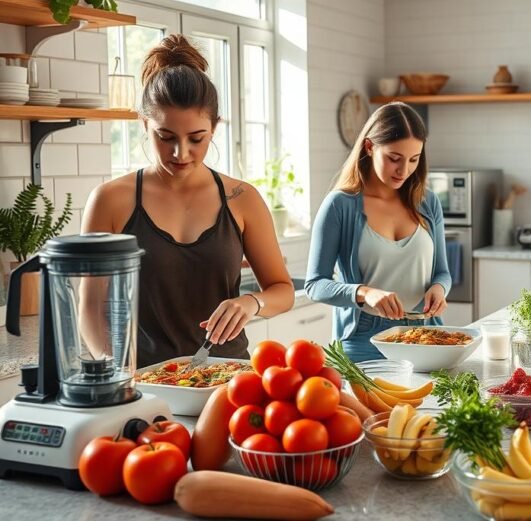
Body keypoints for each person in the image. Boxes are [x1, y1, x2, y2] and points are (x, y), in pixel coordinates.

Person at [82, 34, 294, 367]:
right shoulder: (109, 201)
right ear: (144, 124)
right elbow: (91, 309)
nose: (181, 153)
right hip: (143, 382)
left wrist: (251, 302)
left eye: (197, 138)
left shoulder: (242, 199)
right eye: (165, 137)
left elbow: (282, 290)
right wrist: (116, 375)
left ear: (215, 128)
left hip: (230, 382)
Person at [305, 102, 451, 362]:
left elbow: (442, 272)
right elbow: (315, 285)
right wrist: (364, 293)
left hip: (427, 335)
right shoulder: (340, 205)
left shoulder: (427, 203)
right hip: (363, 340)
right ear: (370, 147)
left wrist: (440, 288)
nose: (404, 170)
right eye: (394, 158)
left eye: (413, 160)